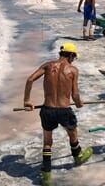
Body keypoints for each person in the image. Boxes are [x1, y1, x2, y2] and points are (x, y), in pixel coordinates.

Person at [23, 42, 92, 185]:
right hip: (64, 110)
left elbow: (30, 79)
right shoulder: (73, 70)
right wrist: (79, 103)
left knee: (47, 142)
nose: (74, 59)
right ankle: (77, 156)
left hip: (47, 110)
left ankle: (46, 175)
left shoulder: (48, 65)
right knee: (72, 133)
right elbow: (75, 94)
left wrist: (27, 101)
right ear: (71, 55)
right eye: (74, 57)